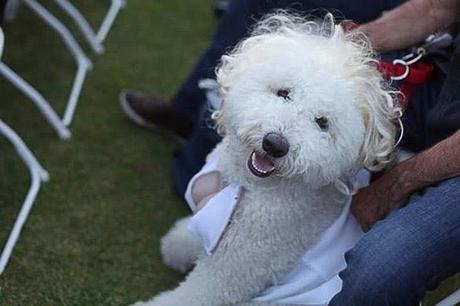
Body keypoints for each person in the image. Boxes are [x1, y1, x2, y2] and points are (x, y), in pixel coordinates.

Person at [120, 0, 460, 304]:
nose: (279, 136)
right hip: (442, 81)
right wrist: (344, 45)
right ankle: (210, 220)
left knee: (375, 272)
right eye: (283, 93)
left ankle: (234, 257)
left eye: (321, 122)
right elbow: (436, 5)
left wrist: (395, 185)